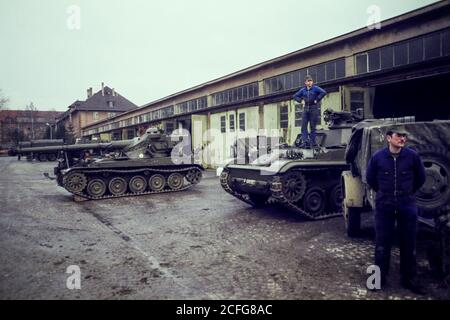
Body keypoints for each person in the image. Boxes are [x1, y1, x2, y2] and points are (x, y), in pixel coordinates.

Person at [366, 127, 426, 294]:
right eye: (398, 136)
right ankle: (378, 278)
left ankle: (409, 279)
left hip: (407, 202)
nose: (402, 139)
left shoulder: (412, 156)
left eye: (404, 136)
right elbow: (371, 178)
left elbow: (421, 178)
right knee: (382, 242)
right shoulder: (378, 157)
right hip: (385, 202)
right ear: (388, 138)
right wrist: (385, 192)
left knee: (409, 242)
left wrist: (406, 192)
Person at [292, 75, 327, 147]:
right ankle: (305, 142)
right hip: (305, 109)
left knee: (312, 127)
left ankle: (312, 143)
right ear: (305, 82)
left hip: (313, 108)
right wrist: (301, 100)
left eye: (311, 81)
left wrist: (317, 100)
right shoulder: (303, 90)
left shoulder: (316, 88)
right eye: (308, 81)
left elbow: (323, 92)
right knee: (303, 126)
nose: (310, 82)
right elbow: (295, 96)